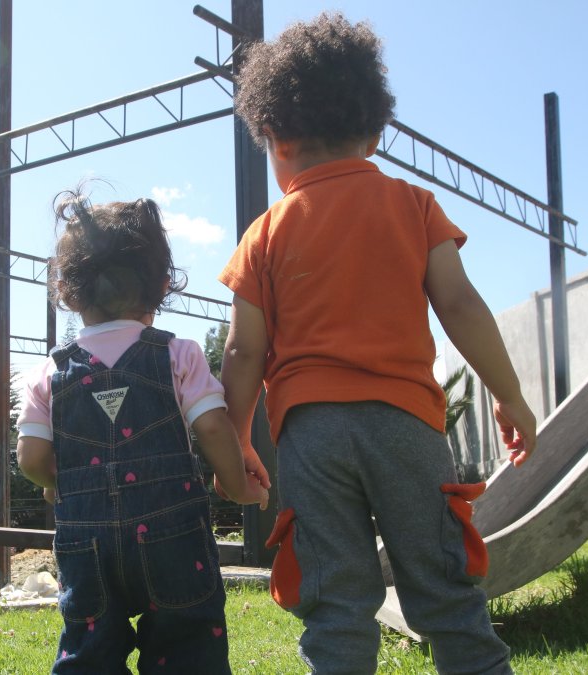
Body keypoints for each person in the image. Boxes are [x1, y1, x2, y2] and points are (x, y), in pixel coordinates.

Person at [217, 12, 538, 675]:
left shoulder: (265, 233)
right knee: (446, 591)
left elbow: (244, 352)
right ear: (373, 130)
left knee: (334, 604)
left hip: (310, 438)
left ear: (274, 138)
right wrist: (507, 395)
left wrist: (241, 438)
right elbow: (459, 303)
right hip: (407, 427)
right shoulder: (413, 205)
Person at [16, 189, 270, 674]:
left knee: (89, 649)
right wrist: (237, 485)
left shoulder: (48, 373)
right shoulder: (179, 355)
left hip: (86, 546)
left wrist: (58, 481)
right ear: (160, 286)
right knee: (188, 644)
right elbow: (214, 428)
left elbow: (30, 457)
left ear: (68, 291)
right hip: (173, 538)